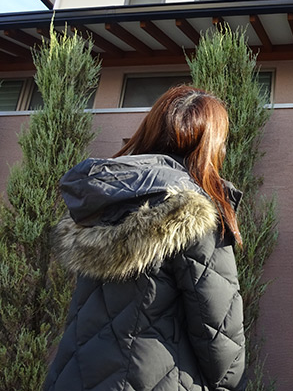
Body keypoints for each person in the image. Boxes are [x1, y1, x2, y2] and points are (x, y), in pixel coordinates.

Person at [44, 85, 246, 391]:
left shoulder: (105, 201)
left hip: (73, 376)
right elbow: (220, 342)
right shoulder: (195, 214)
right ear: (211, 144)